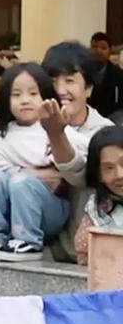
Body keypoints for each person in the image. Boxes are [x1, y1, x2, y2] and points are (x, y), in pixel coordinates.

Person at [0, 63, 88, 262]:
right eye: (16, 95)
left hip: (50, 210)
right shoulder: (3, 135)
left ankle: (28, 241)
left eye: (33, 93)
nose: (25, 100)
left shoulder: (53, 129)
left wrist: (28, 175)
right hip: (12, 209)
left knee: (20, 182)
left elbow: (83, 155)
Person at [41, 40, 113, 263]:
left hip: (89, 252)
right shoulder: (30, 125)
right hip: (46, 245)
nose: (61, 90)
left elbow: (81, 174)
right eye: (53, 81)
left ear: (88, 88)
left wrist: (56, 134)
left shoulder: (105, 133)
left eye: (70, 80)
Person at [74, 125, 123, 265]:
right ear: (98, 174)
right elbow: (84, 255)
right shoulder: (97, 211)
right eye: (109, 168)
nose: (119, 175)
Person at [89, 32, 123, 119]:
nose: (98, 51)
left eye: (103, 48)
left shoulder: (118, 74)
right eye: (94, 47)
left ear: (110, 51)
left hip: (110, 116)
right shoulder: (82, 71)